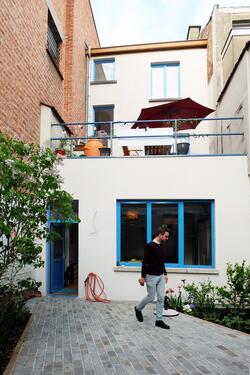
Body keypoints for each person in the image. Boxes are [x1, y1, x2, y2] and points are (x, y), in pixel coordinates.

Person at [134, 227, 170, 329]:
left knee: (161, 298)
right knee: (150, 297)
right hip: (151, 276)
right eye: (166, 236)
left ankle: (159, 320)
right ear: (160, 234)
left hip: (160, 276)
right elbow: (144, 262)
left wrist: (165, 274)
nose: (167, 238)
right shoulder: (149, 246)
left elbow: (161, 262)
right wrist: (142, 277)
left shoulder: (162, 246)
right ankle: (138, 308)